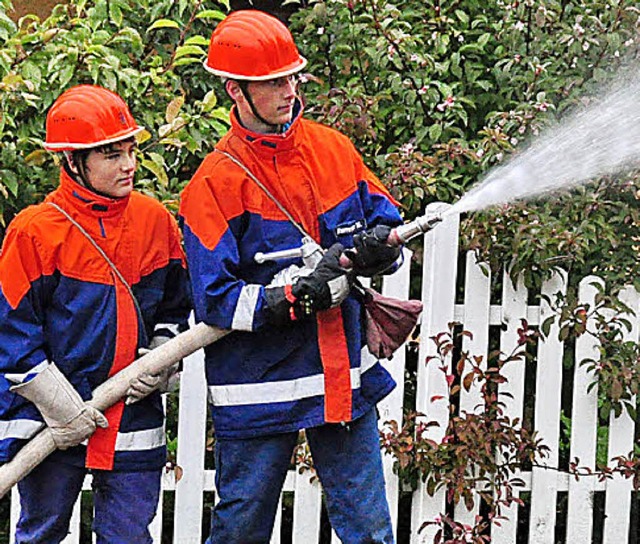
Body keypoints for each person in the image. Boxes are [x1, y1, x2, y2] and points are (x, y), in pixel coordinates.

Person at [179, 10, 404, 543]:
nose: (288, 89)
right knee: (241, 530)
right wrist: (293, 298)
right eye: (272, 81)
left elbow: (387, 228)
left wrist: (377, 251)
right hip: (257, 386)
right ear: (235, 90)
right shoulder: (213, 185)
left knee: (369, 531)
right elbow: (215, 300)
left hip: (339, 377)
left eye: (291, 76)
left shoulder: (332, 150)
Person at [0, 84, 191, 543]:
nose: (128, 165)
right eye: (111, 155)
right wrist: (58, 405)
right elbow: (10, 331)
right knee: (41, 534)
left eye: (130, 151)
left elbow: (177, 307)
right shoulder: (34, 232)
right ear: (72, 161)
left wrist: (163, 358)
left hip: (133, 420)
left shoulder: (154, 222)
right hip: (49, 426)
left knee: (127, 537)